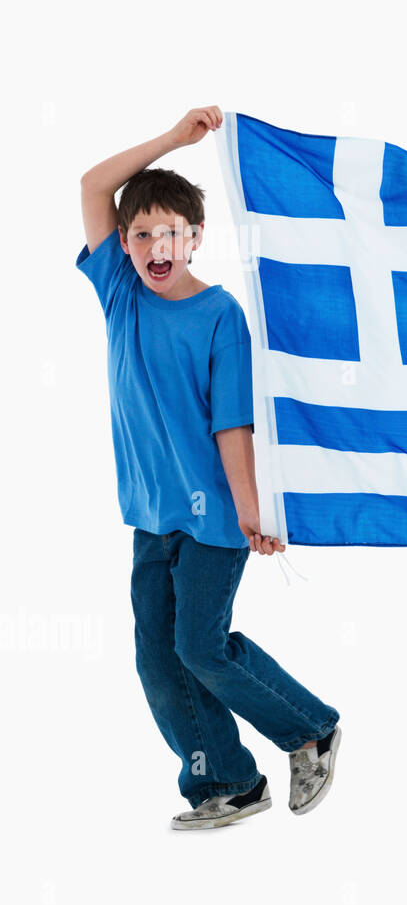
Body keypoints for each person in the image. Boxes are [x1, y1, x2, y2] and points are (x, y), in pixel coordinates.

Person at [77, 105, 342, 829]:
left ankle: (310, 727)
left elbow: (233, 424)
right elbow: (93, 184)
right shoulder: (121, 295)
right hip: (150, 515)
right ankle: (228, 781)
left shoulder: (222, 314)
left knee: (200, 645)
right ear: (125, 245)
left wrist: (250, 509)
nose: (156, 246)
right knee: (158, 662)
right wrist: (170, 141)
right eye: (141, 235)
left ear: (196, 238)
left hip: (214, 518)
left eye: (171, 233)